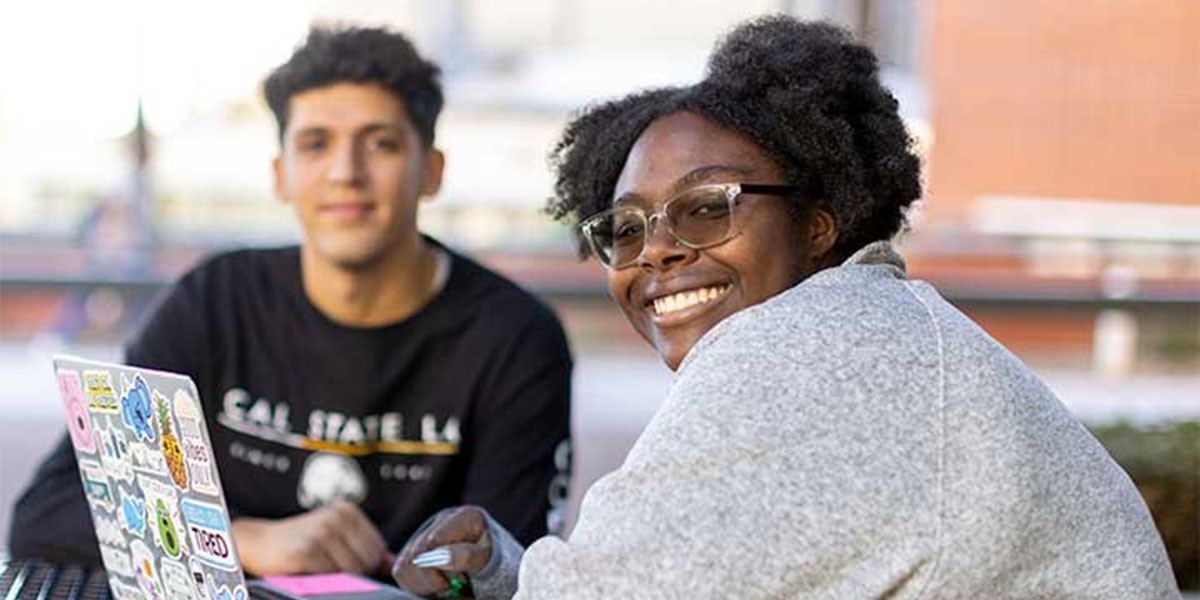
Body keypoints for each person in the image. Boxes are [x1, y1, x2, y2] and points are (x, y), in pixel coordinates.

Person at [390, 16, 1181, 600]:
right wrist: (511, 575)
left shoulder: (813, 351)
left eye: (708, 207)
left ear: (818, 222)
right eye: (624, 230)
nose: (657, 250)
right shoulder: (880, 329)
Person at [9, 25, 573, 578]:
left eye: (381, 143)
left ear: (432, 171)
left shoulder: (515, 339)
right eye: (315, 143)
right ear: (281, 175)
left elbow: (514, 576)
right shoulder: (216, 301)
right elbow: (49, 514)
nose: (345, 173)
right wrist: (243, 540)